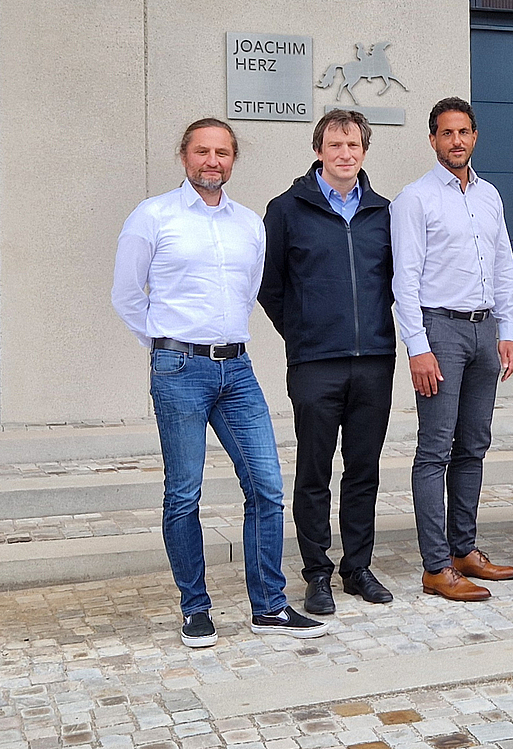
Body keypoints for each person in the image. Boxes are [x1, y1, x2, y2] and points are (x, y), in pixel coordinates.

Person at [111, 118, 328, 647]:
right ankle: (195, 608)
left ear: (233, 160)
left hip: (238, 370)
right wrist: (165, 346)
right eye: (203, 151)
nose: (213, 161)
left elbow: (251, 290)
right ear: (185, 156)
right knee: (184, 493)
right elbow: (126, 295)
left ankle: (269, 607)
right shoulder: (153, 216)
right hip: (179, 369)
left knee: (268, 488)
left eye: (223, 153)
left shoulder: (249, 224)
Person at [259, 109, 396, 616]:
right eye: (335, 145)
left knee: (363, 470)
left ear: (364, 151)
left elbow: (397, 282)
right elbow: (269, 285)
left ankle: (357, 566)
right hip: (315, 362)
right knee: (314, 471)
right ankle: (316, 571)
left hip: (374, 361)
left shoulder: (384, 212)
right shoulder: (286, 209)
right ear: (318, 149)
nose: (345, 154)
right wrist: (300, 331)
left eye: (354, 146)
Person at [391, 97, 513, 601]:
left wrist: (506, 330)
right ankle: (435, 565)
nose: (457, 141)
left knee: (474, 445)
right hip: (439, 331)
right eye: (447, 133)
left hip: (483, 331)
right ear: (432, 140)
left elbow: (504, 264)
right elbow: (405, 281)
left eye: (464, 132)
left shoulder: (489, 196)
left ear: (475, 136)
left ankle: (465, 548)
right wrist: (417, 347)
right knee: (435, 450)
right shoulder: (415, 199)